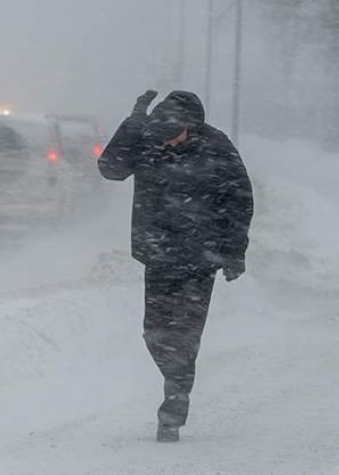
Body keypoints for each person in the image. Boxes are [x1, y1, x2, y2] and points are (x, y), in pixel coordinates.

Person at [98, 90, 254, 443]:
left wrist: (234, 252)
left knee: (185, 334)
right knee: (154, 333)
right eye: (162, 134)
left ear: (192, 126)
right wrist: (134, 122)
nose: (168, 142)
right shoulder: (148, 139)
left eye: (175, 134)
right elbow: (110, 169)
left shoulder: (216, 146)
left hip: (201, 259)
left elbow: (239, 201)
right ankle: (177, 379)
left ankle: (174, 403)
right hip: (159, 255)